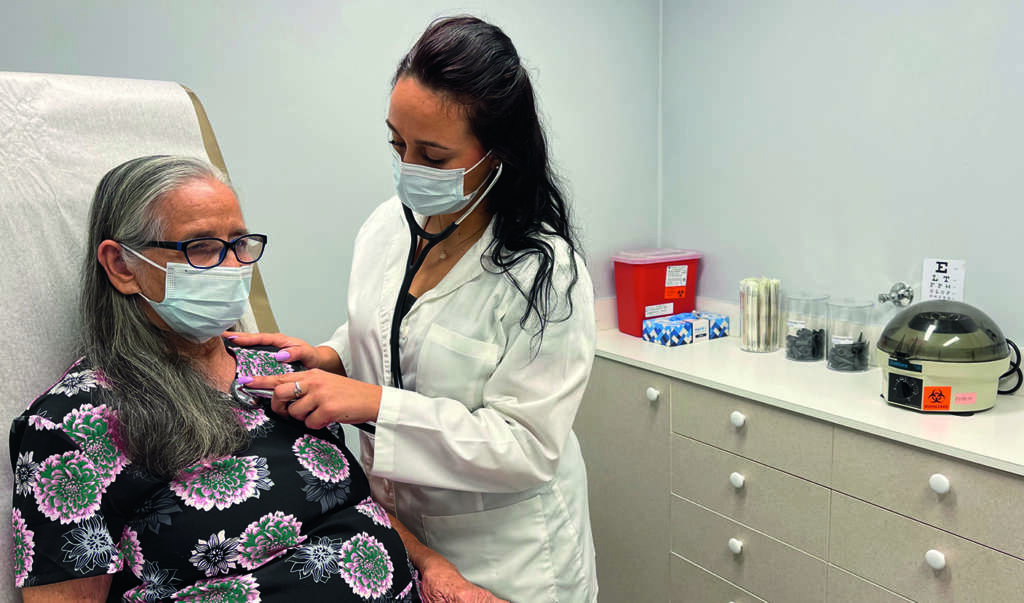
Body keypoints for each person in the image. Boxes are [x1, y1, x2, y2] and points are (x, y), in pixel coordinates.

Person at [235, 15, 598, 602]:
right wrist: (332, 357)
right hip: (403, 536)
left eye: (433, 155)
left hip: (510, 555)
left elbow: (527, 446)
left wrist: (375, 404)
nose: (408, 170)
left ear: (497, 154)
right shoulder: (387, 227)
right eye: (397, 143)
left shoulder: (545, 275)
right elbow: (387, 328)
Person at [9, 155, 421, 601]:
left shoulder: (273, 364)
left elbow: (355, 505)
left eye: (239, 243)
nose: (230, 268)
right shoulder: (71, 426)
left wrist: (436, 568)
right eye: (201, 247)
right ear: (122, 266)